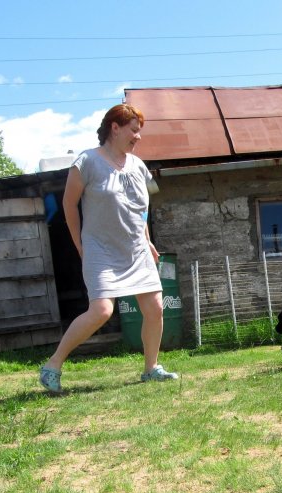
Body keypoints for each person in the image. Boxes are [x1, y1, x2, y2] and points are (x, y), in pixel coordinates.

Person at [39, 104, 177, 393]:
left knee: (154, 307)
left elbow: (139, 210)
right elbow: (68, 205)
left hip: (135, 248)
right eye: (134, 130)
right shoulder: (87, 162)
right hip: (100, 248)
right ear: (115, 127)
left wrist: (148, 240)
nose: (138, 137)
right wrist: (80, 245)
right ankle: (52, 365)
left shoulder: (138, 166)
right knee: (101, 310)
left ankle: (151, 368)